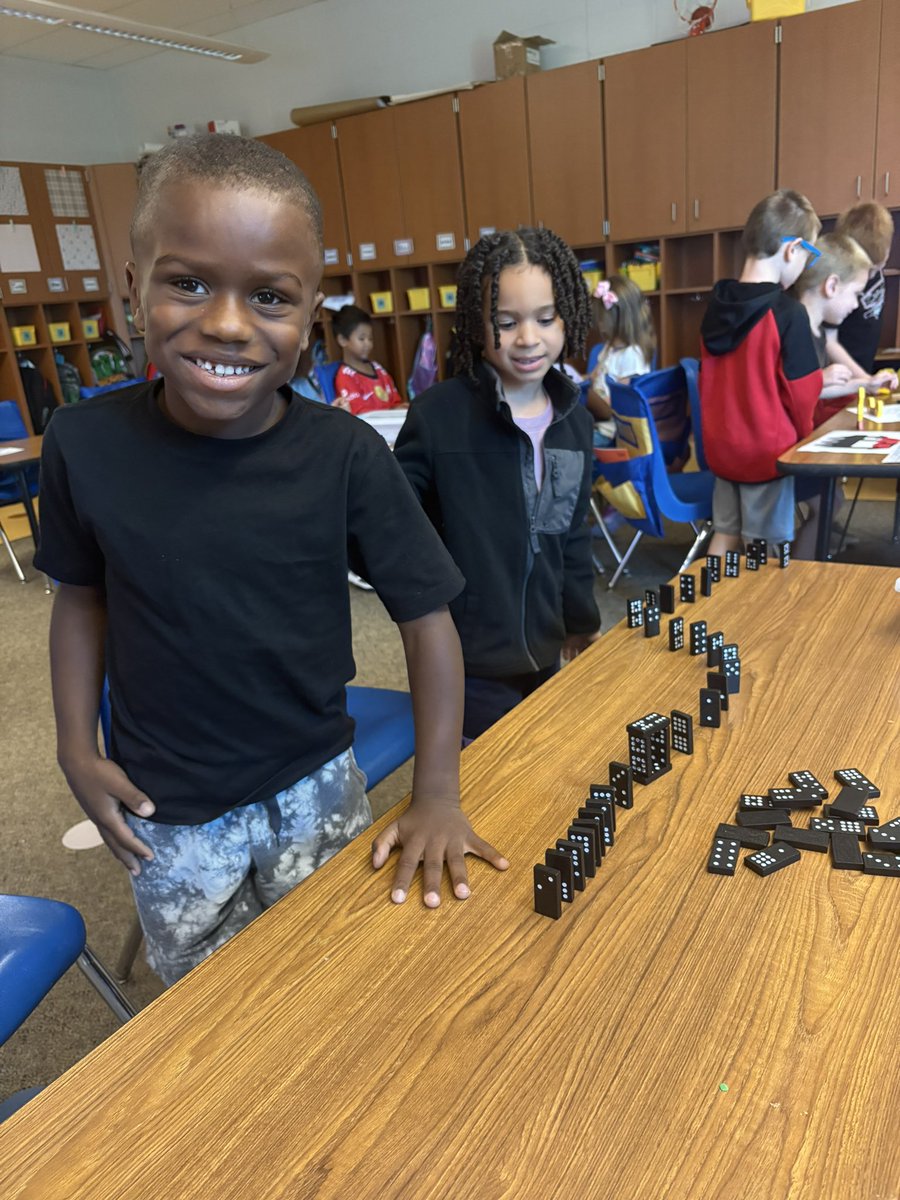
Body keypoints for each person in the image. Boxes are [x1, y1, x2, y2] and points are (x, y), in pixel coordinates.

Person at [34, 135, 507, 986]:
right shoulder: (82, 443)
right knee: (205, 1012)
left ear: (310, 315)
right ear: (132, 289)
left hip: (314, 787)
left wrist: (438, 789)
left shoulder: (347, 456)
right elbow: (80, 596)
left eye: (268, 296)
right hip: (165, 805)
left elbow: (427, 617)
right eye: (187, 283)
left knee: (337, 980)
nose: (226, 322)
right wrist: (76, 746)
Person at [394, 228, 601, 742]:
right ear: (475, 323)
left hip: (546, 648)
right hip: (468, 658)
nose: (528, 338)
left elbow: (571, 535)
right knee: (483, 771)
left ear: (568, 317)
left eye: (545, 319)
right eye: (506, 323)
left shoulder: (575, 422)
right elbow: (394, 527)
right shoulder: (439, 416)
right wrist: (431, 617)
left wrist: (581, 620)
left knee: (544, 760)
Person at [700, 189, 823, 557]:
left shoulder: (715, 306)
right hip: (766, 453)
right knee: (766, 548)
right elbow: (803, 393)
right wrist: (803, 439)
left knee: (725, 534)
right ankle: (764, 598)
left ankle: (712, 595)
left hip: (721, 449)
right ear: (793, 249)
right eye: (809, 255)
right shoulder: (787, 313)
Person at [585, 276, 656, 447]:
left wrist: (593, 400)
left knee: (574, 447)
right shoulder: (609, 348)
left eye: (602, 318)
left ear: (620, 319)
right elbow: (594, 377)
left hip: (613, 433)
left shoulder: (632, 356)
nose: (598, 323)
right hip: (598, 421)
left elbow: (626, 405)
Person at [834, 201, 897, 376]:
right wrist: (863, 378)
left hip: (865, 363)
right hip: (841, 371)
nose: (869, 276)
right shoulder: (840, 283)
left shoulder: (878, 257)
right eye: (866, 270)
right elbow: (828, 340)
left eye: (875, 269)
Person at [333, 304, 405, 415]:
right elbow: (361, 416)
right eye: (361, 338)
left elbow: (395, 401)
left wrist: (402, 408)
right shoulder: (345, 377)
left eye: (370, 338)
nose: (368, 344)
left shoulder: (378, 368)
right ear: (342, 340)